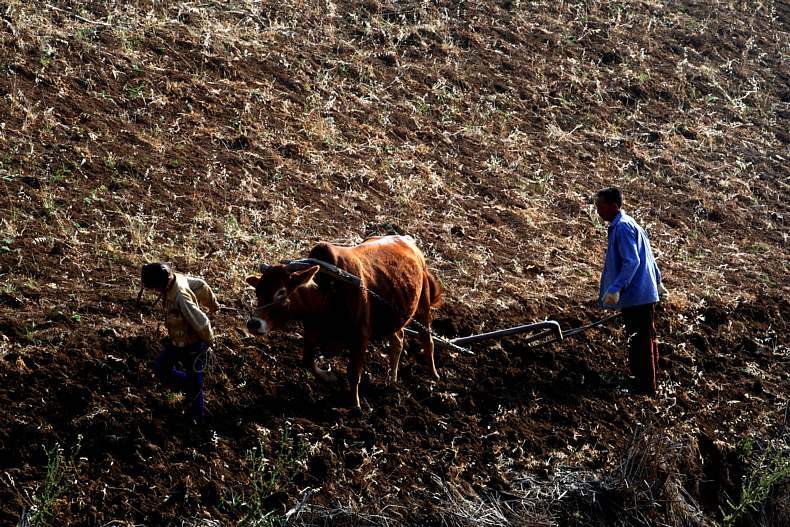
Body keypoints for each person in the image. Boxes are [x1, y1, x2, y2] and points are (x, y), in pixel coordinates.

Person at [595, 187, 668, 395]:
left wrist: (615, 288)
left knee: (640, 341)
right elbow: (649, 257)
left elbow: (633, 261)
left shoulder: (622, 228)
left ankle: (645, 387)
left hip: (637, 295)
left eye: (601, 206)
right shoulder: (631, 224)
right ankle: (644, 382)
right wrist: (659, 282)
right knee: (642, 338)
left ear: (613, 206)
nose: (598, 211)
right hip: (642, 293)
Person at [138, 262, 219, 422]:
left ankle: (198, 418)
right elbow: (200, 286)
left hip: (192, 345)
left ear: (165, 281)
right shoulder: (177, 278)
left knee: (194, 384)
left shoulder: (180, 297)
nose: (155, 291)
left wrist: (209, 340)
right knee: (161, 368)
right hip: (176, 341)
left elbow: (201, 322)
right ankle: (190, 388)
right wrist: (213, 304)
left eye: (156, 287)